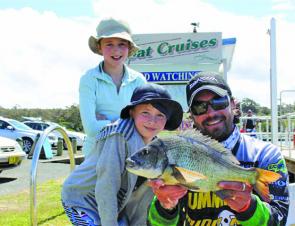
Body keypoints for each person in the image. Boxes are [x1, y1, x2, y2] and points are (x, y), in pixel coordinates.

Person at [147, 71, 289, 226]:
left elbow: (280, 220)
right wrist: (165, 207)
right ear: (191, 115)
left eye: (219, 102)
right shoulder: (177, 157)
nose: (211, 112)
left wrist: (248, 207)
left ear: (233, 104)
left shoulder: (265, 155)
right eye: (200, 107)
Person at [62, 83, 183, 226]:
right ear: (132, 112)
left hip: (116, 207)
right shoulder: (119, 134)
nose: (152, 121)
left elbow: (141, 198)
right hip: (82, 201)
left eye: (160, 115)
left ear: (167, 120)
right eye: (145, 113)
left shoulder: (156, 150)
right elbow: (107, 186)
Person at [80, 17, 147, 157]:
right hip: (96, 155)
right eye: (109, 44)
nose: (116, 51)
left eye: (122, 44)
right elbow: (91, 128)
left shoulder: (139, 80)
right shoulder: (89, 79)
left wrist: (106, 122)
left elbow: (143, 124)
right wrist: (127, 122)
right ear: (99, 47)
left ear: (129, 47)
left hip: (131, 154)